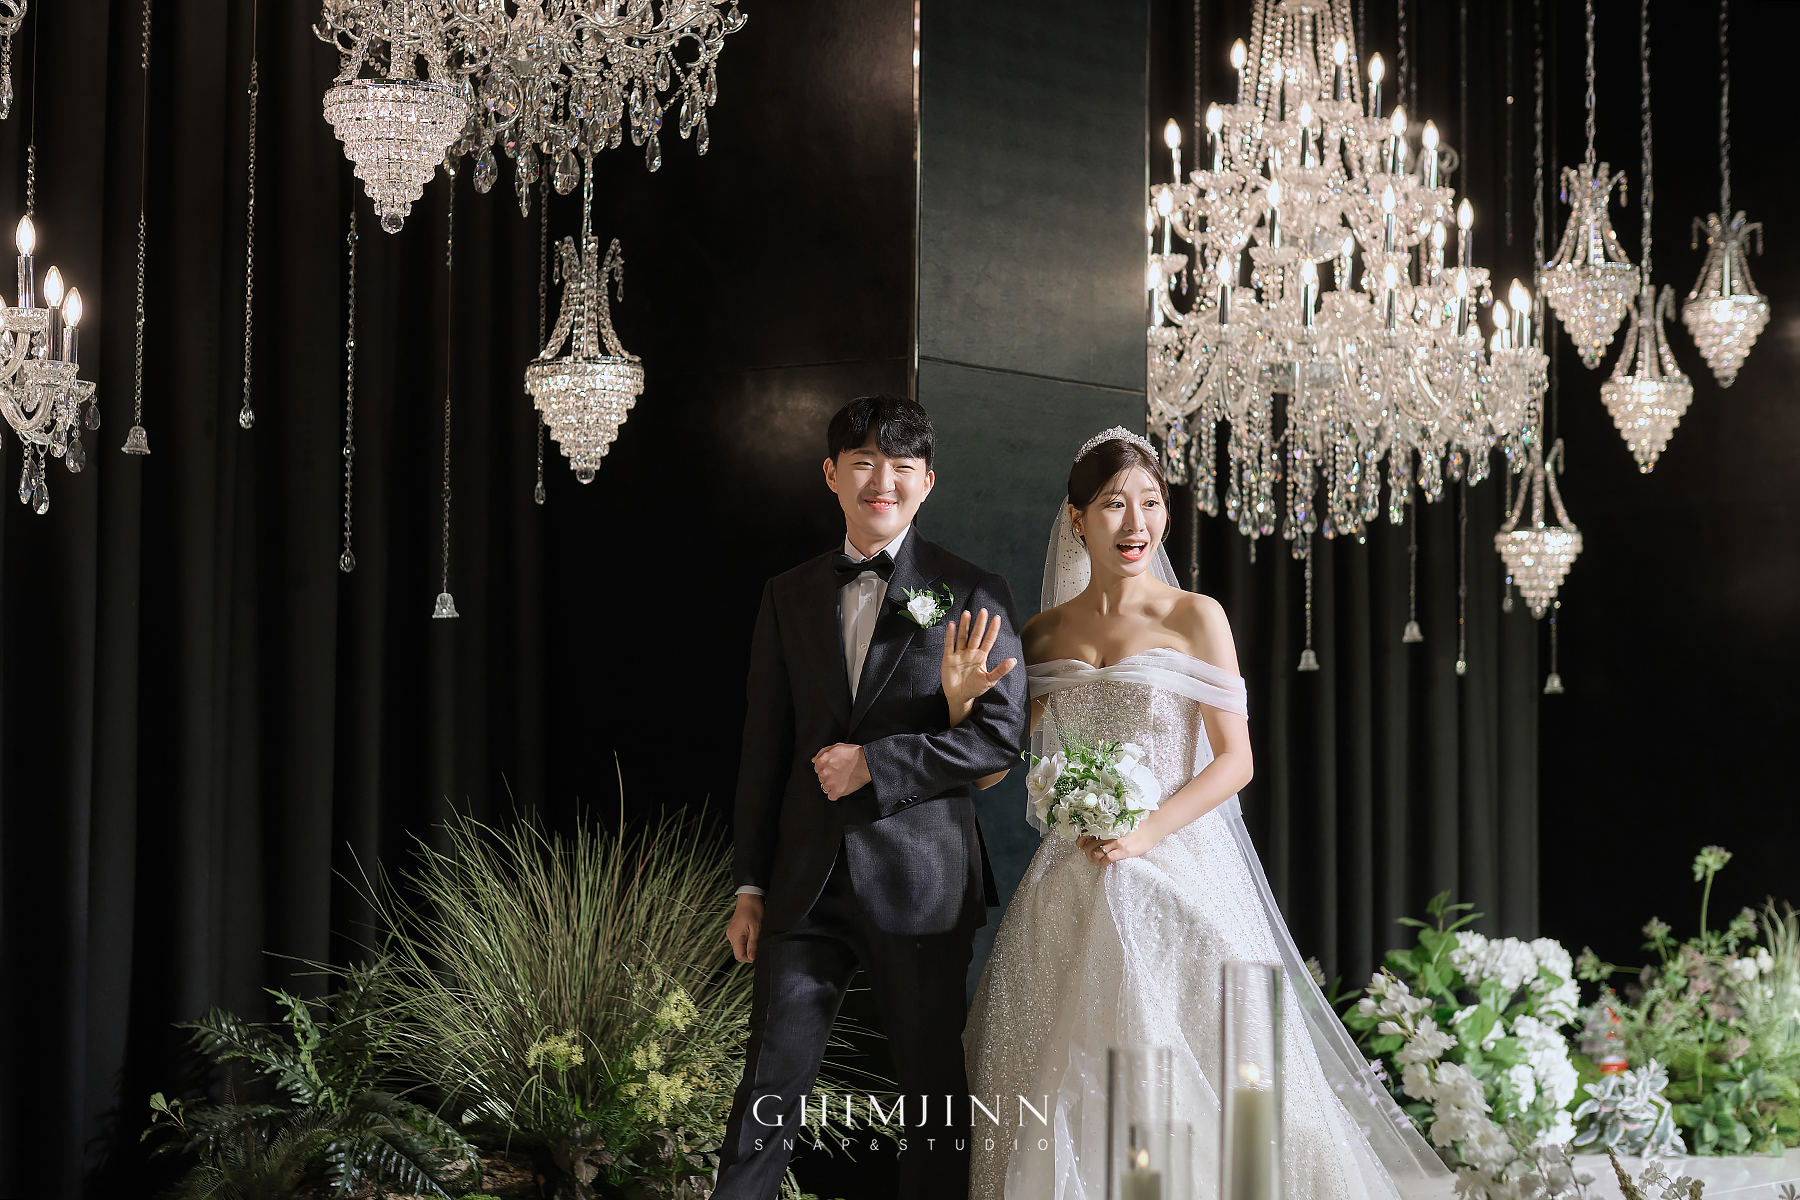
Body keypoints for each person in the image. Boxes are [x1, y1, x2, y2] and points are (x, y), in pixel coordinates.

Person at [945, 428, 1454, 1200]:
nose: (1136, 523)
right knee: (1065, 1069)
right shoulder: (1044, 634)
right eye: (1114, 504)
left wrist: (1143, 832)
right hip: (1070, 881)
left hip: (1177, 863)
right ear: (1077, 518)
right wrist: (960, 708)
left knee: (1219, 1077)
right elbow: (989, 770)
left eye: (1151, 503)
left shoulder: (1196, 617)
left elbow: (1235, 761)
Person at [716, 393, 1030, 1200]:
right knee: (767, 1084)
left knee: (931, 1093)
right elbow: (764, 747)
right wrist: (750, 885)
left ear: (927, 482)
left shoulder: (972, 589)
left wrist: (877, 765)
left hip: (923, 880)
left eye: (900, 467)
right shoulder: (787, 594)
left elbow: (999, 738)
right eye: (862, 463)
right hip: (803, 881)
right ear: (831, 474)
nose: (880, 482)